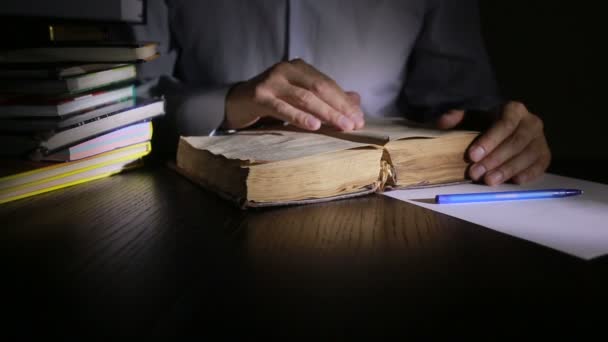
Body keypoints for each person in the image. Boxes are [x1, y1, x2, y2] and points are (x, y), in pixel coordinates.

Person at [134, 0, 551, 186]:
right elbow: (128, 95)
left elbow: (462, 101)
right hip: (190, 193)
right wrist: (225, 103)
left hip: (391, 199)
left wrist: (502, 137)